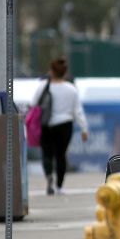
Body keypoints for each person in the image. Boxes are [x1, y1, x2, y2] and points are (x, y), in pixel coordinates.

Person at [31, 57, 89, 195]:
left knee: (47, 154)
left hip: (47, 124)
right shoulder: (71, 89)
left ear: (51, 71)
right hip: (65, 125)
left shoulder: (43, 86)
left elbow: (34, 104)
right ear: (65, 72)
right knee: (61, 155)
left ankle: (49, 177)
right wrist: (84, 128)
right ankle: (59, 186)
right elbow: (77, 111)